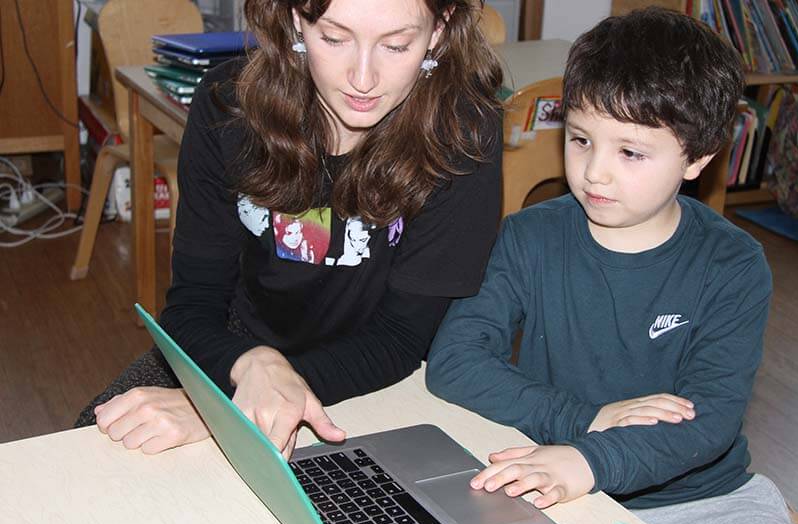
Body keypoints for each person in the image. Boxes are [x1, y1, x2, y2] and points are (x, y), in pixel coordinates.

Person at [425, 8, 798, 524]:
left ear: (699, 157)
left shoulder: (732, 263)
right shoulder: (527, 237)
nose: (594, 174)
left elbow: (709, 421)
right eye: (581, 139)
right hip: (559, 481)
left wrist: (591, 458)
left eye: (630, 152)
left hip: (704, 502)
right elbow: (454, 362)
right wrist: (586, 423)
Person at [76, 0, 503, 460]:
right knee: (86, 447)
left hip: (380, 372)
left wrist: (226, 410)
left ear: (438, 30)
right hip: (237, 345)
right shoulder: (228, 107)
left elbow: (401, 337)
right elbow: (193, 303)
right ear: (298, 18)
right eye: (334, 39)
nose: (363, 78)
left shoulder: (464, 134)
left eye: (397, 46)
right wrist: (246, 369)